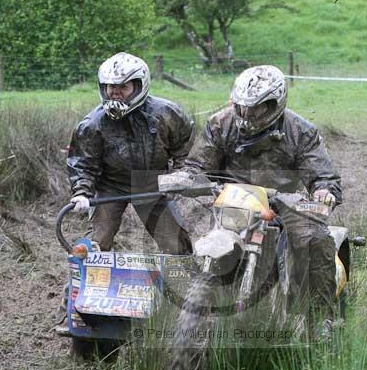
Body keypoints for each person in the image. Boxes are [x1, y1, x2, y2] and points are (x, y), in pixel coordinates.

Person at [180, 64, 342, 339]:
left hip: (284, 202)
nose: (247, 114)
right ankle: (194, 313)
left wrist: (324, 191)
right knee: (203, 248)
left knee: (316, 240)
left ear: (274, 103)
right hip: (234, 200)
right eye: (242, 107)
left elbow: (322, 175)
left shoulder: (300, 130)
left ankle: (319, 317)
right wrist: (187, 177)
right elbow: (197, 164)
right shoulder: (221, 123)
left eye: (255, 108)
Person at [67, 52, 193, 254]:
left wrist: (182, 172)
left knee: (175, 243)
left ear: (139, 86)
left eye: (123, 87)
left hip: (152, 183)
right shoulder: (92, 124)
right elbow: (83, 163)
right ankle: (88, 283)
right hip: (111, 185)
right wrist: (81, 192)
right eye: (111, 87)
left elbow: (185, 146)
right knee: (96, 244)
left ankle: (181, 283)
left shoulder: (167, 113)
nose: (115, 93)